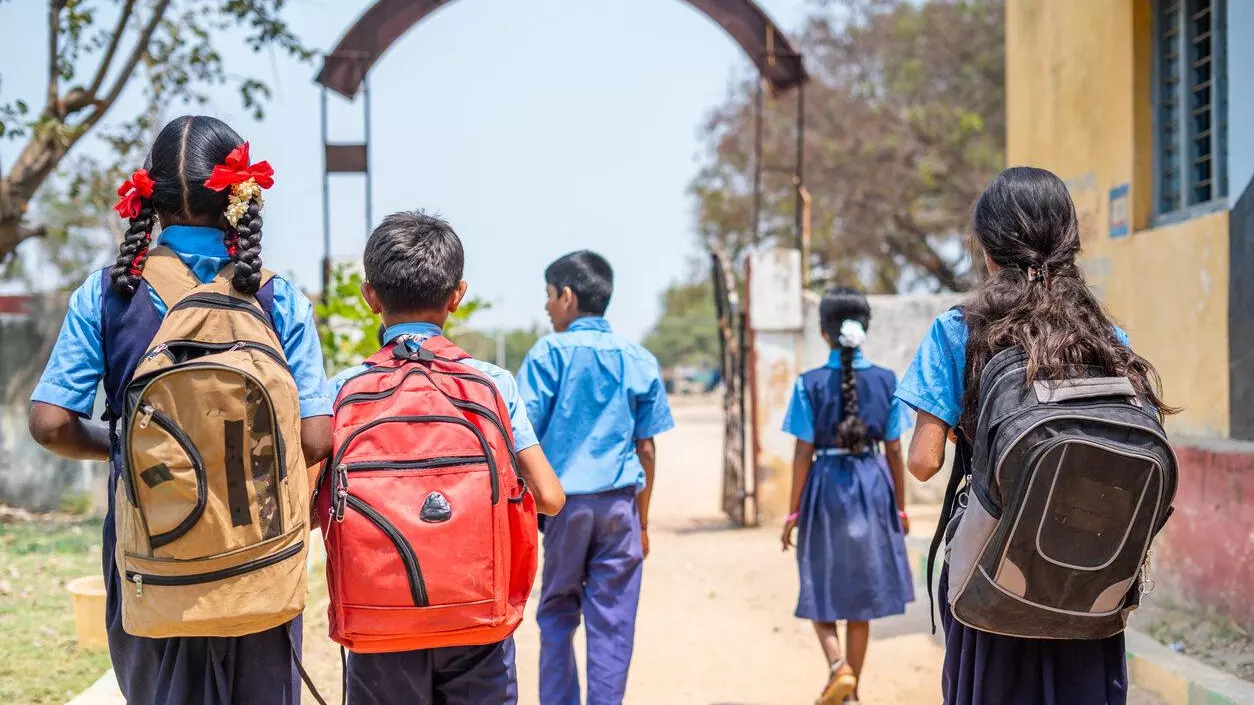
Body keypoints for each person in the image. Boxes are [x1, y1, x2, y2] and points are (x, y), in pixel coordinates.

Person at [27, 115, 333, 704]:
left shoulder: (107, 294)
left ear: (150, 196)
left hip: (151, 553)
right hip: (258, 556)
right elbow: (316, 439)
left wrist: (119, 445)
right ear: (238, 197)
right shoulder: (276, 296)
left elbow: (49, 422)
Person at [895, 166, 1174, 705]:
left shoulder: (959, 330)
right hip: (1091, 570)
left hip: (993, 568)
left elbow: (924, 461)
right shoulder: (1106, 335)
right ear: (1068, 241)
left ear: (987, 246)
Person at [327, 210, 566, 705]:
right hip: (477, 618)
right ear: (457, 295)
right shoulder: (493, 384)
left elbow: (313, 505)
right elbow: (550, 497)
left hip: (378, 623)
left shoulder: (344, 391)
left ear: (370, 296)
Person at [517, 250, 674, 705]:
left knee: (557, 614)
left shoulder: (547, 353)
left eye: (549, 296)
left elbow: (522, 437)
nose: (546, 307)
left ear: (568, 296)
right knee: (613, 620)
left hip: (565, 508)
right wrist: (642, 524)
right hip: (621, 509)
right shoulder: (638, 358)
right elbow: (646, 448)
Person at [779, 287, 915, 705]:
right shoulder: (887, 380)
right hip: (874, 486)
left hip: (825, 486)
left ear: (824, 333)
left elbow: (803, 452)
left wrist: (792, 512)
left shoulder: (809, 384)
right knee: (861, 595)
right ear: (866, 330)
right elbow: (894, 448)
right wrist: (900, 506)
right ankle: (853, 692)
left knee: (819, 584)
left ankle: (838, 668)